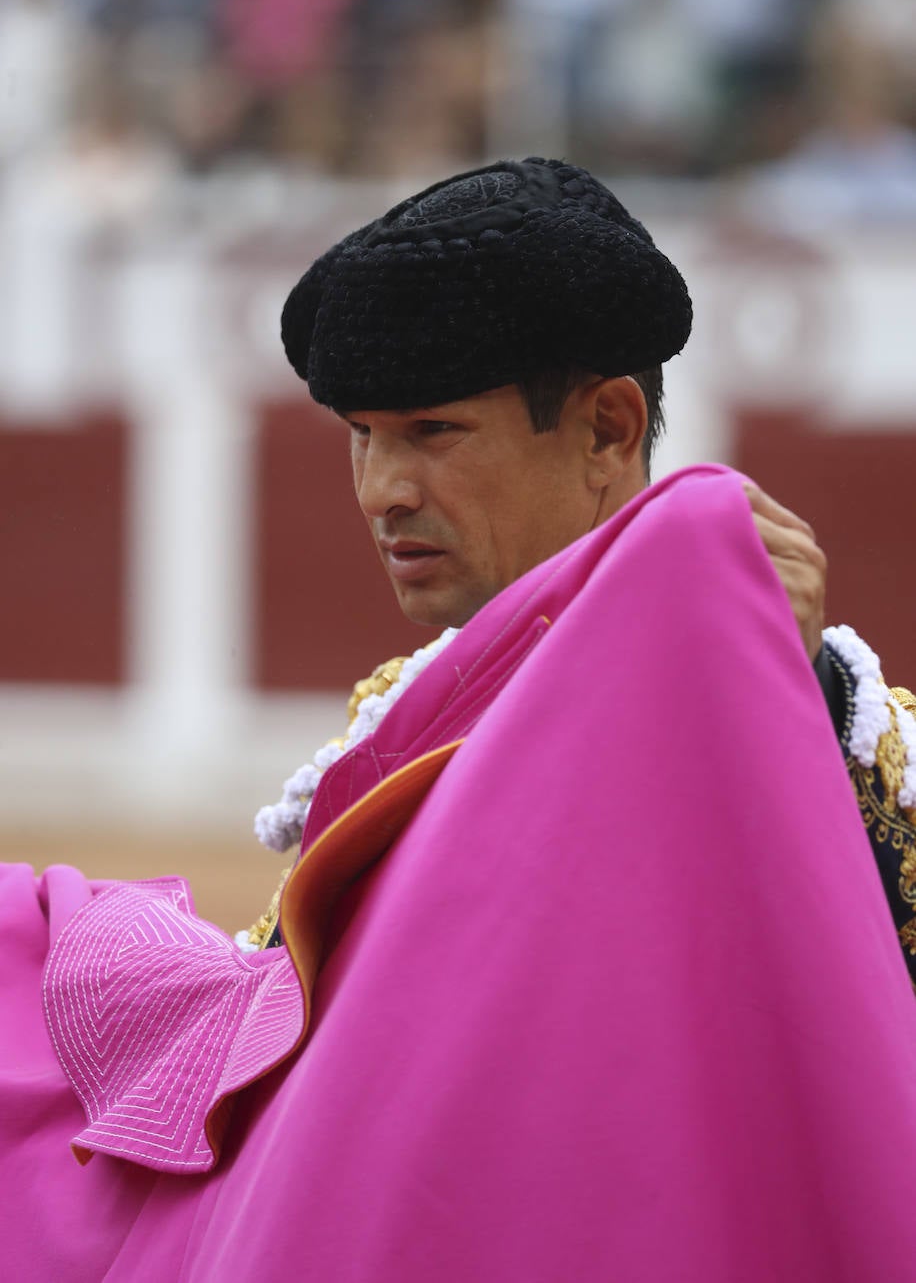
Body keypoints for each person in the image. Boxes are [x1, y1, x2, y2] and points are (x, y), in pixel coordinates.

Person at [4, 156, 916, 1282]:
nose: (383, 489)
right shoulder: (394, 715)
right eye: (361, 435)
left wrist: (776, 707)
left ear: (606, 431)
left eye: (432, 433)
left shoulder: (856, 734)